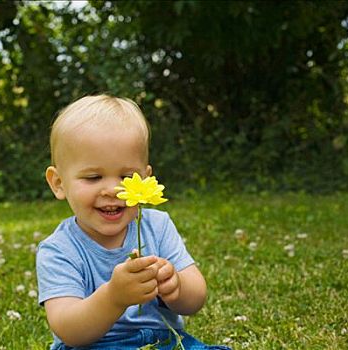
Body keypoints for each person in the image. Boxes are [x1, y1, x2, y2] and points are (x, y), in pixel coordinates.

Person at [37, 94, 230, 350]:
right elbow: (69, 329)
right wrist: (113, 298)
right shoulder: (59, 249)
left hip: (162, 342)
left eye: (127, 176)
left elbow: (195, 300)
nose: (114, 189)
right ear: (58, 183)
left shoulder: (157, 226)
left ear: (146, 178)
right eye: (93, 177)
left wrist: (176, 286)